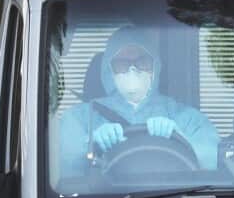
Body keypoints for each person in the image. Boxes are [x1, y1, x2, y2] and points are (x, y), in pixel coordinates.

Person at [58, 26, 218, 176]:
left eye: (142, 61)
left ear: (156, 65)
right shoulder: (79, 118)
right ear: (107, 69)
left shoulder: (186, 118)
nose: (132, 70)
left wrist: (181, 139)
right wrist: (89, 145)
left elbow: (212, 163)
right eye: (122, 63)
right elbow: (60, 167)